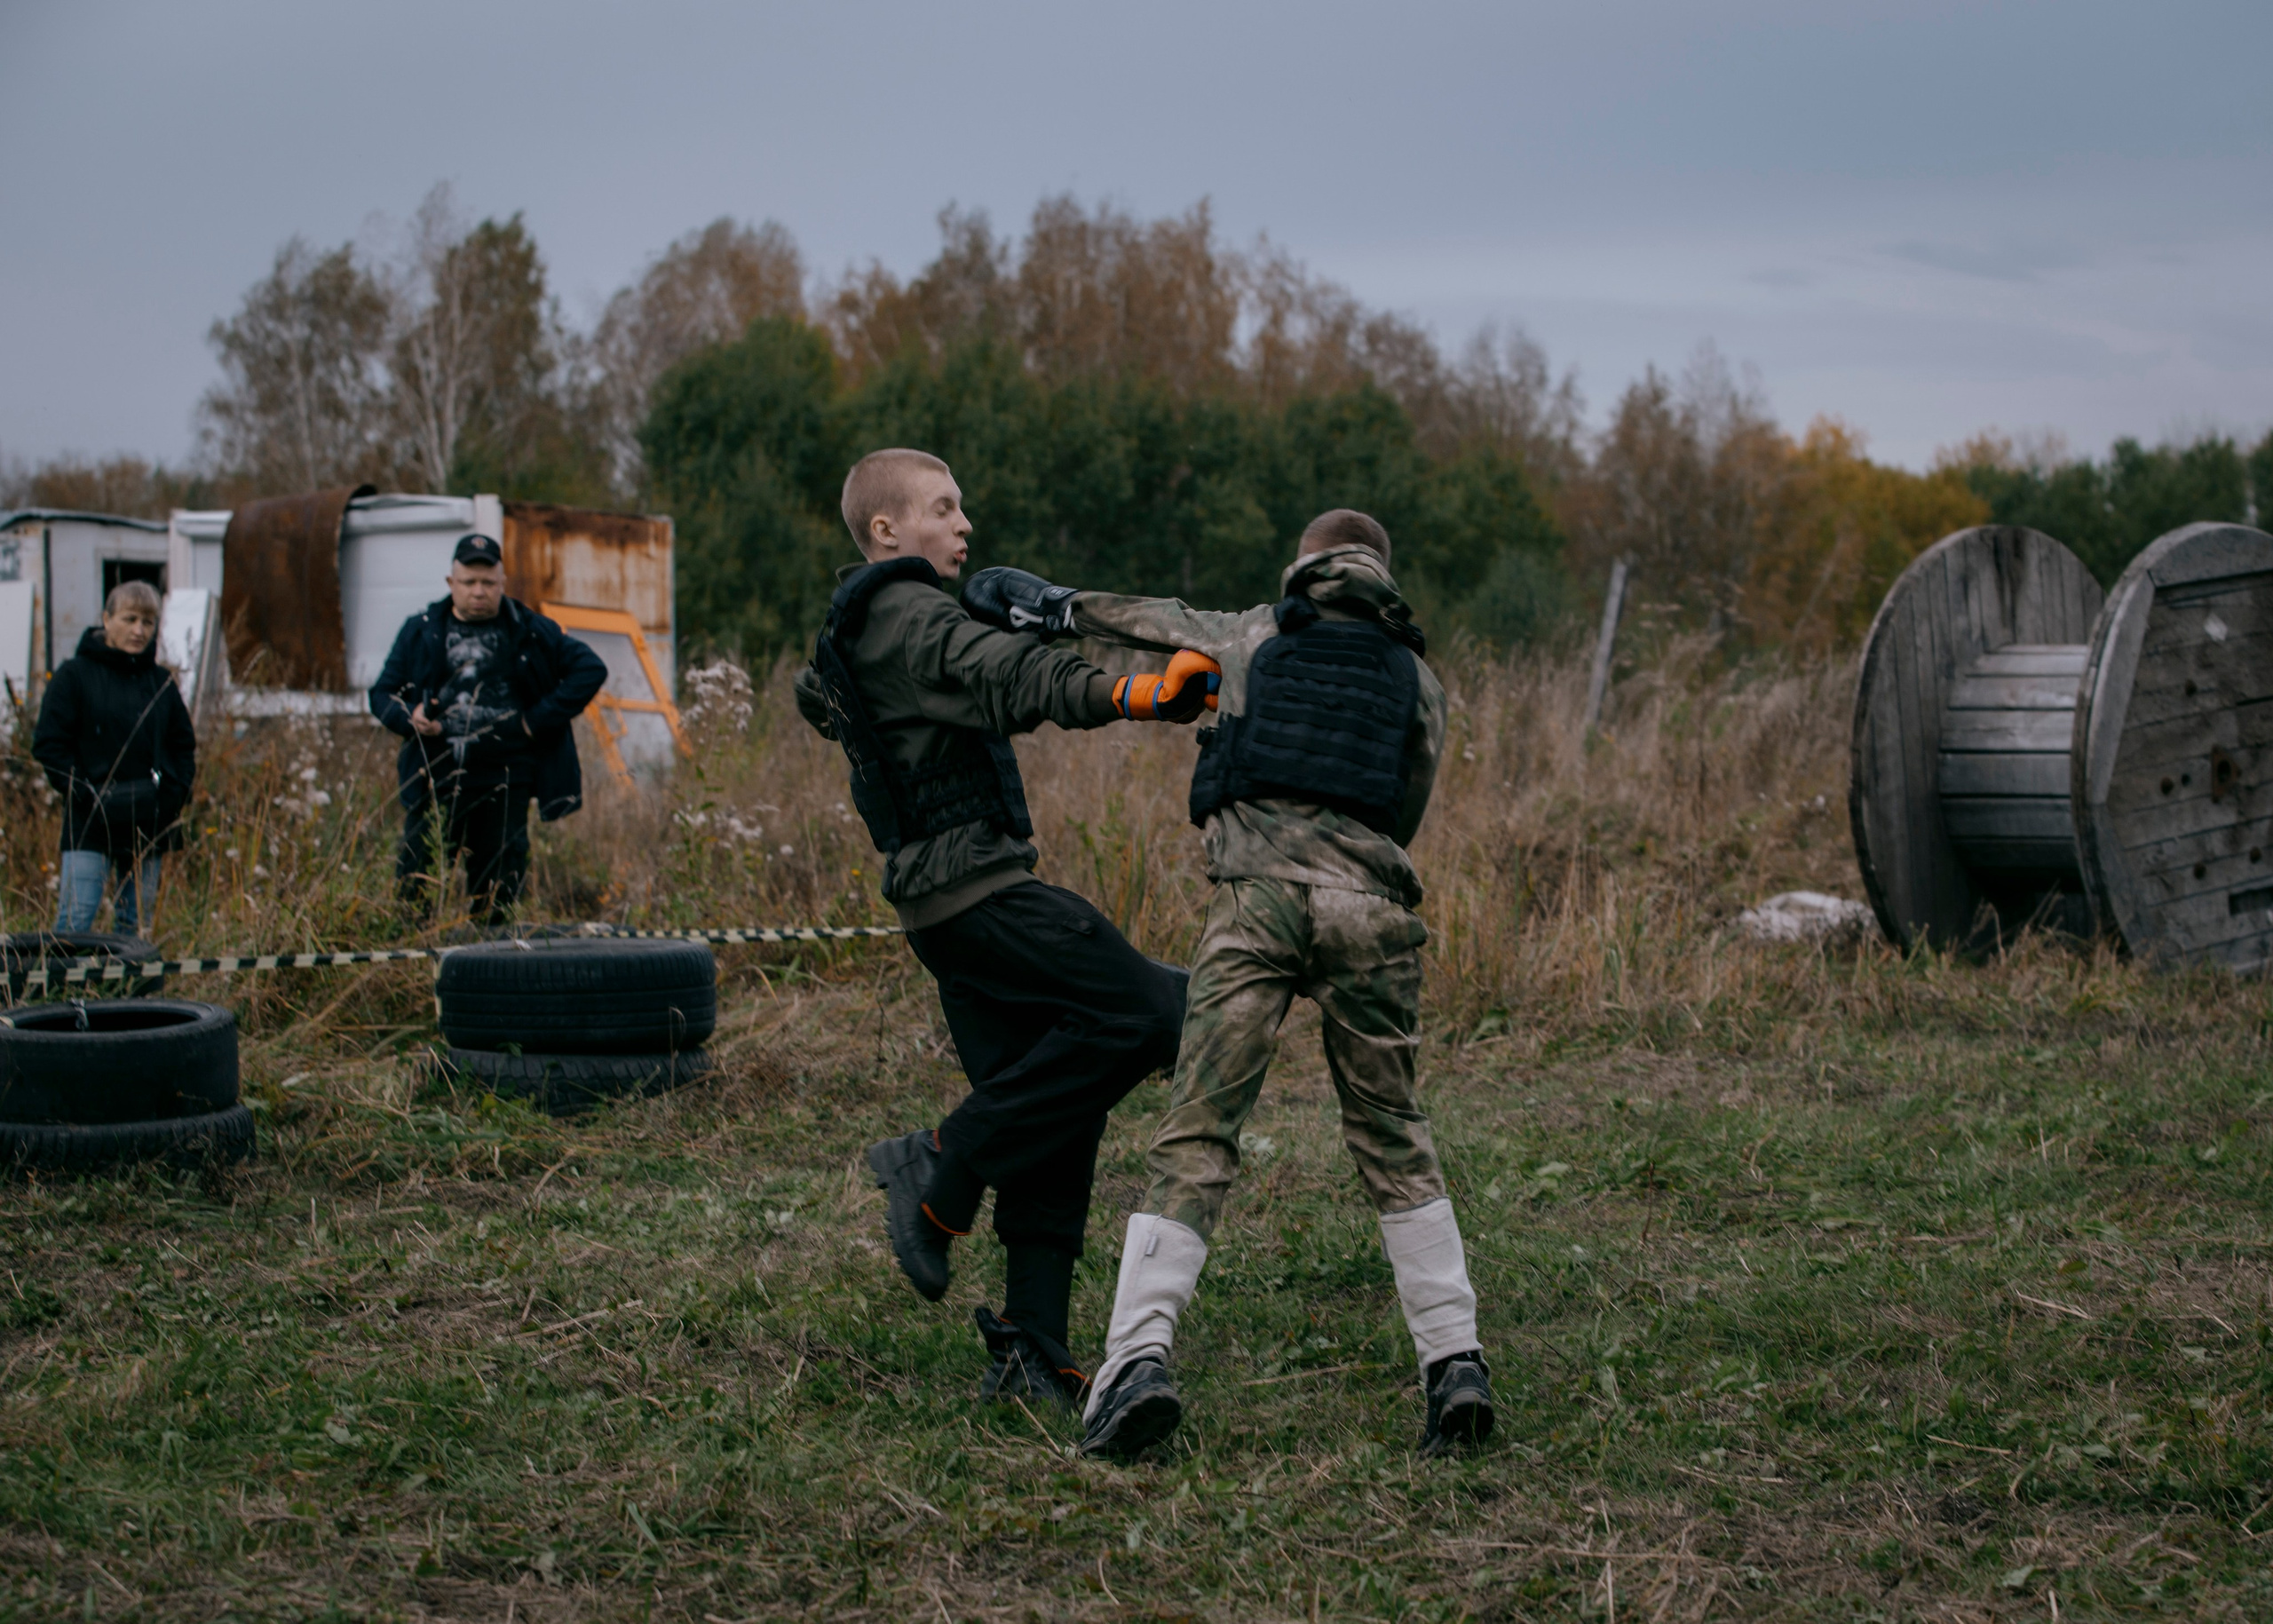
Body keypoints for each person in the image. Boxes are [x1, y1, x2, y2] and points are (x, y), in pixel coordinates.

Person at [962, 510, 1494, 1461]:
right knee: (1393, 1132)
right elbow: (1403, 806)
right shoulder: (1418, 677)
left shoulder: (1256, 632)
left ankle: (1135, 1363)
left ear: (1304, 563)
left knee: (1198, 1129)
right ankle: (1454, 1362)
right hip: (1368, 909)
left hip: (1254, 907)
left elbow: (1152, 619)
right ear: (1381, 572)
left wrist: (1049, 604)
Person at [793, 448, 1202, 1407]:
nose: (966, 524)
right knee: (1153, 1012)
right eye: (944, 507)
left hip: (942, 911)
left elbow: (827, 698)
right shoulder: (908, 613)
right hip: (977, 894)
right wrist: (1133, 691)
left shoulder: (865, 627)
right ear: (886, 530)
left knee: (1052, 1108)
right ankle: (940, 1160)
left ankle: (1029, 1348)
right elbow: (1003, 671)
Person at [368, 534, 607, 926]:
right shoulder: (421, 630)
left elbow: (590, 669)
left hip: (506, 781)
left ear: (502, 583)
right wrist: (409, 717)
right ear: (451, 584)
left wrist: (536, 720)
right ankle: (408, 970)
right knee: (414, 893)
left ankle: (493, 972)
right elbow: (381, 693)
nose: (478, 592)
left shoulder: (529, 629)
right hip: (436, 779)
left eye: (488, 583)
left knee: (499, 898)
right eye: (469, 583)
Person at [32, 580, 196, 939]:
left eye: (148, 622)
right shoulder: (73, 676)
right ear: (107, 620)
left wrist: (171, 797)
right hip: (89, 822)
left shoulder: (161, 683)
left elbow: (183, 746)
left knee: (135, 930)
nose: (139, 630)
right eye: (130, 618)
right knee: (75, 926)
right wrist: (81, 792)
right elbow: (48, 743)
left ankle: (128, 994)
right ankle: (64, 993)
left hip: (148, 822)